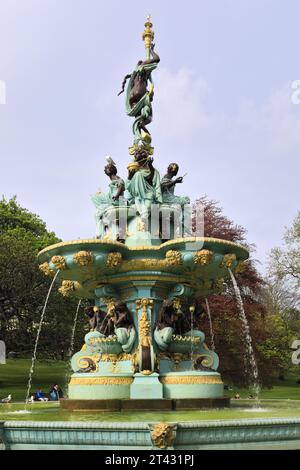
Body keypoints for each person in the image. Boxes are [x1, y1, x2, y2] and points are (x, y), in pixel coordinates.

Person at [91, 158, 125, 238]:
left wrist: (116, 196)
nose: (105, 170)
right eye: (105, 168)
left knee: (98, 213)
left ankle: (100, 233)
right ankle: (104, 232)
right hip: (112, 200)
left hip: (116, 201)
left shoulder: (118, 179)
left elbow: (121, 187)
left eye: (107, 168)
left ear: (112, 170)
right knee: (95, 200)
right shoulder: (112, 180)